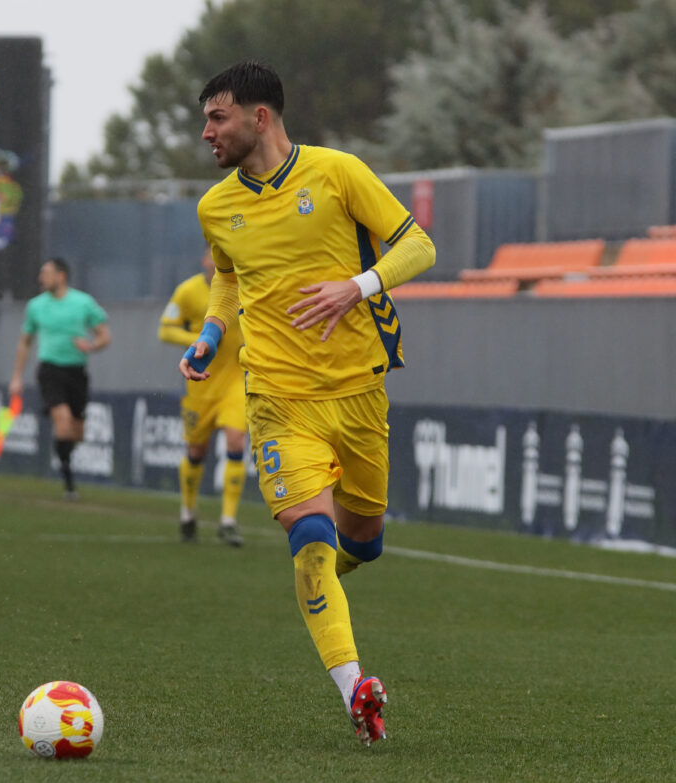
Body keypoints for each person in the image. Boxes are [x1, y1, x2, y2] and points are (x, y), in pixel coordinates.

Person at [181, 61, 435, 746]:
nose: (206, 132)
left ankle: (318, 585)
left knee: (364, 543)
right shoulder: (215, 206)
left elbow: (419, 243)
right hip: (277, 400)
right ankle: (356, 688)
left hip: (359, 392)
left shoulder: (337, 173)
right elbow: (228, 282)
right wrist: (210, 335)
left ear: (259, 117)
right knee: (310, 539)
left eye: (217, 117)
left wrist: (360, 285)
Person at [159, 247, 247, 546]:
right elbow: (166, 330)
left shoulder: (243, 287)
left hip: (235, 381)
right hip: (200, 383)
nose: (218, 261)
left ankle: (228, 520)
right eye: (213, 256)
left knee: (236, 440)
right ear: (205, 260)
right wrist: (195, 341)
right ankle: (188, 512)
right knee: (197, 451)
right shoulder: (188, 291)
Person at [9, 258, 110, 499]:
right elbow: (25, 342)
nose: (41, 278)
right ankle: (69, 484)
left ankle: (64, 458)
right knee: (63, 424)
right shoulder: (35, 306)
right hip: (50, 370)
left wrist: (92, 346)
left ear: (61, 276)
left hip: (76, 372)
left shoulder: (83, 302)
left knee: (77, 433)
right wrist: (16, 377)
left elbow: (105, 335)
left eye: (46, 273)